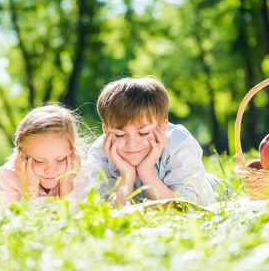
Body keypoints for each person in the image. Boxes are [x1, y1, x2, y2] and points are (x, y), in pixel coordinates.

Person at [88, 76, 221, 207]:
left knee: (219, 188)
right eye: (120, 134)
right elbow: (105, 213)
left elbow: (184, 209)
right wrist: (127, 177)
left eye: (143, 133)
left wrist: (147, 173)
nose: (132, 143)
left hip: (210, 189)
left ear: (163, 127)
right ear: (106, 130)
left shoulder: (179, 145)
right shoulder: (101, 152)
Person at [0, 104, 92, 224]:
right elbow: (22, 224)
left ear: (73, 154)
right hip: (1, 217)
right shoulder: (9, 176)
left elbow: (74, 221)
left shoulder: (81, 173)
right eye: (39, 161)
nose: (50, 170)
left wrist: (67, 184)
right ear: (22, 156)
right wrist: (30, 188)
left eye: (60, 159)